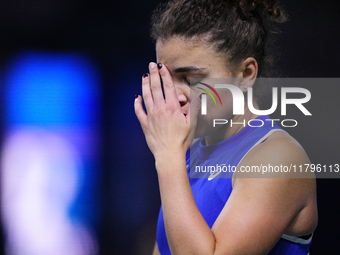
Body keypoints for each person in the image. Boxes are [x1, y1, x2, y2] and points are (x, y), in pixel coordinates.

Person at [134, 0, 318, 254]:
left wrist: (167, 158)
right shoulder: (186, 153)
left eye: (190, 78)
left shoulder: (280, 157)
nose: (176, 95)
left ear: (245, 74)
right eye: (166, 77)